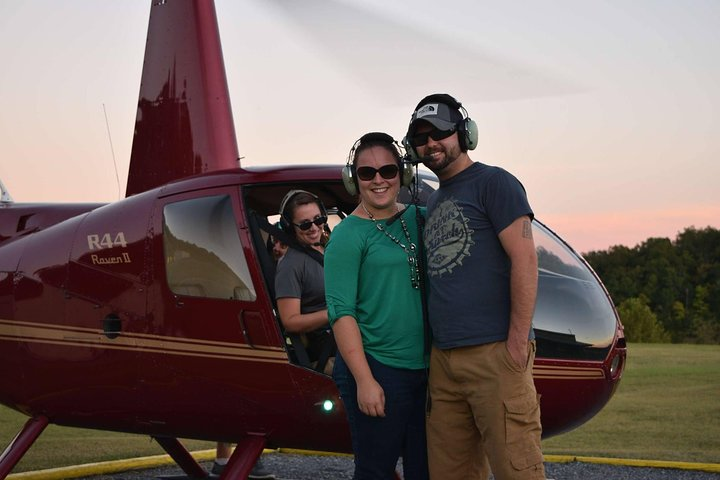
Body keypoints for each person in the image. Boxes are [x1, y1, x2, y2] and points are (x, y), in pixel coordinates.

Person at [403, 94, 544, 480]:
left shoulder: (495, 183)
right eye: (421, 137)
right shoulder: (434, 202)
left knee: (518, 470)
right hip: (445, 362)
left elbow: (526, 260)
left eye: (441, 133)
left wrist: (515, 344)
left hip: (495, 352)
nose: (431, 144)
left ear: (464, 134)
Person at [325, 132, 428, 480]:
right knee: (375, 470)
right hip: (378, 367)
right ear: (354, 180)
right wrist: (365, 380)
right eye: (367, 173)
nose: (379, 180)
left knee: (426, 469)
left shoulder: (420, 218)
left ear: (403, 173)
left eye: (387, 169)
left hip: (428, 369)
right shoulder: (347, 236)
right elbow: (342, 313)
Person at [275, 190, 333, 373]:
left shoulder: (329, 248)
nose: (314, 228)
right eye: (305, 224)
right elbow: (290, 321)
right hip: (327, 344)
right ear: (290, 227)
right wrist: (337, 312)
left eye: (318, 219)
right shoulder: (290, 265)